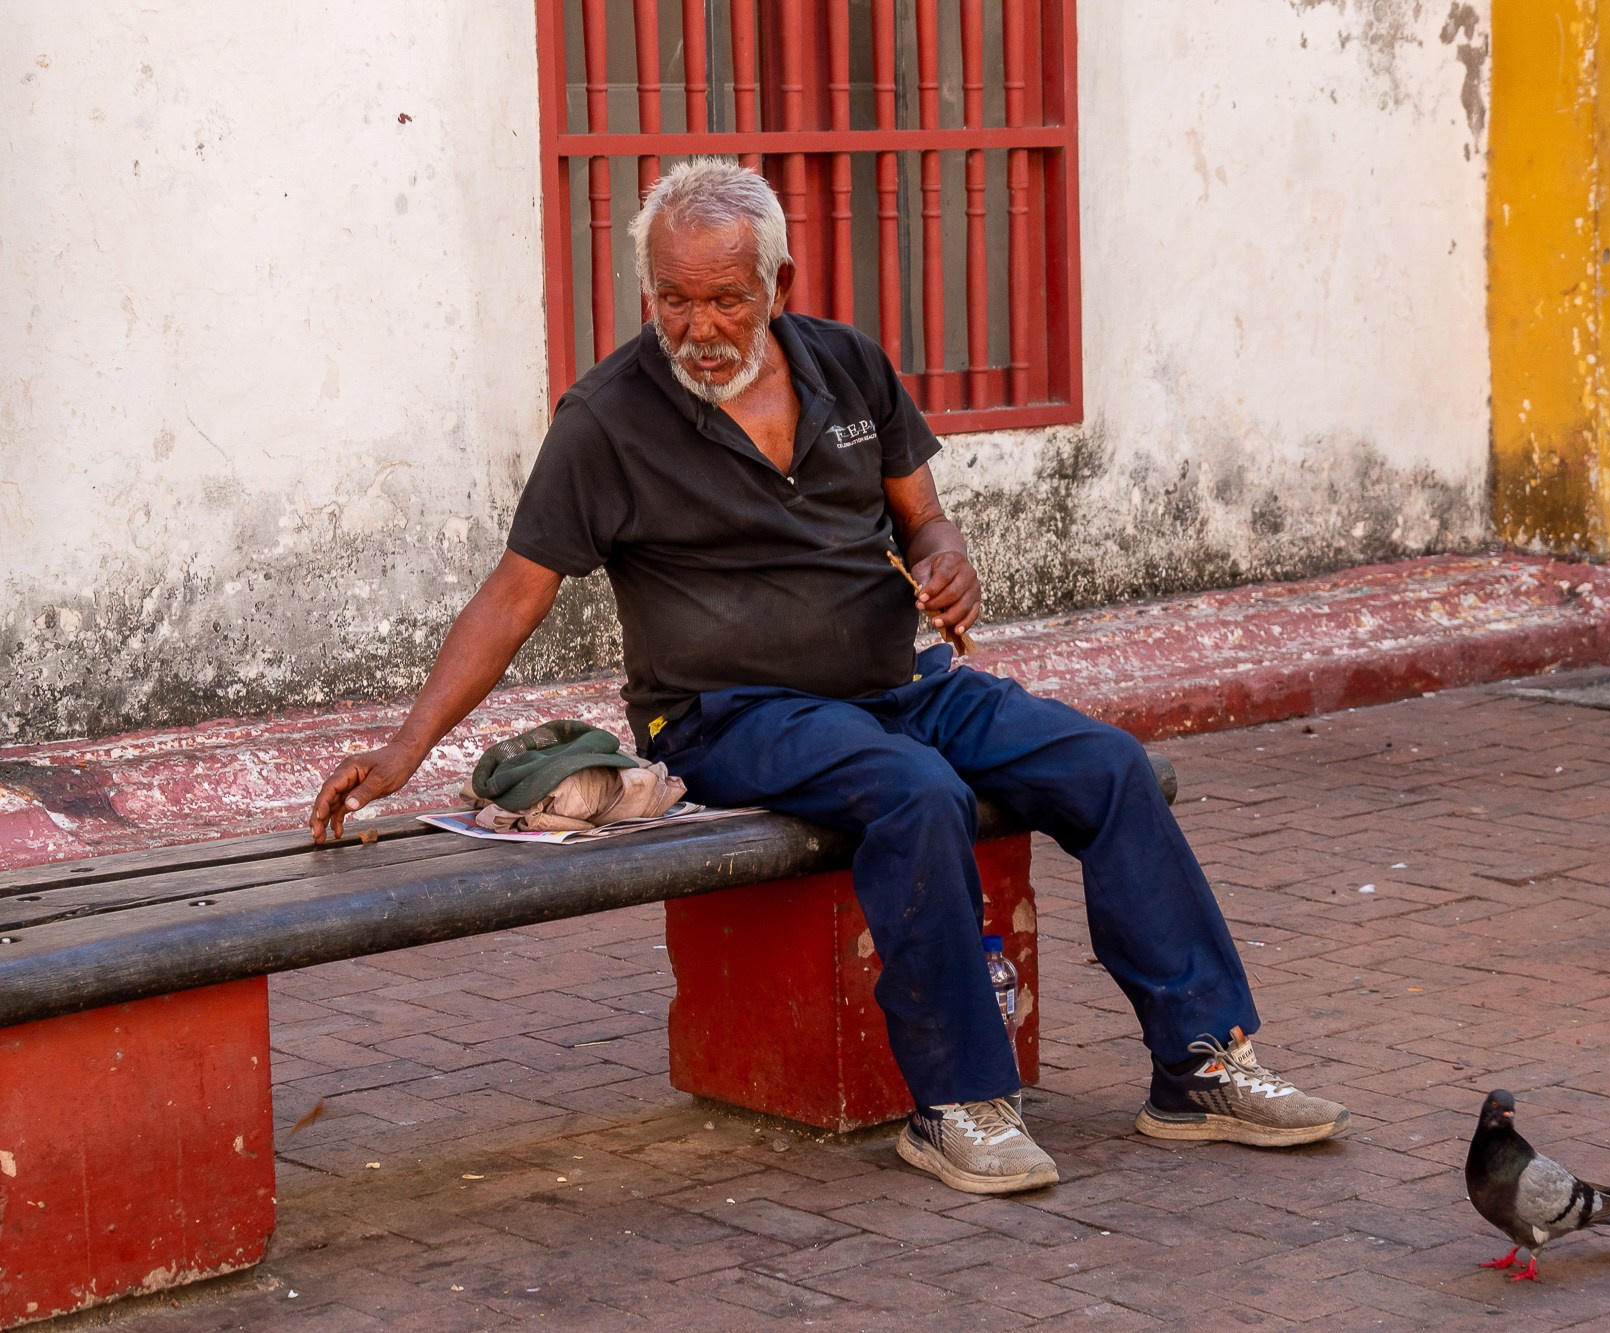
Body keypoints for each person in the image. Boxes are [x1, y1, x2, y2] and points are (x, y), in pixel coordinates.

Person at [310, 160, 1349, 1195]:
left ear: (781, 285)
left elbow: (922, 514)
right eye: (672, 299)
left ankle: (1198, 1063)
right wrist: (405, 751)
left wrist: (947, 557)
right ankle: (958, 1105)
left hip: (899, 685)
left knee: (1108, 766)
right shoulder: (606, 419)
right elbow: (512, 594)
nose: (698, 326)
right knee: (916, 793)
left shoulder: (848, 366)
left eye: (725, 298)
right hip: (727, 715)